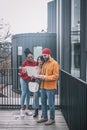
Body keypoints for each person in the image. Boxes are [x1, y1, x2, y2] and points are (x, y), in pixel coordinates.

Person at [37, 48, 60, 125]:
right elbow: (42, 74)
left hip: (50, 87)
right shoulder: (44, 63)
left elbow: (56, 76)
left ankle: (52, 119)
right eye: (43, 55)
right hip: (43, 86)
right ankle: (44, 117)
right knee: (43, 102)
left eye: (45, 55)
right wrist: (38, 76)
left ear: (49, 54)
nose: (44, 56)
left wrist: (45, 77)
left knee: (51, 104)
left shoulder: (55, 63)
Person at [20, 48, 37, 117]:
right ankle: (22, 110)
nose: (30, 58)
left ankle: (27, 109)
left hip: (30, 80)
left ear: (33, 56)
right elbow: (21, 73)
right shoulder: (25, 63)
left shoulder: (35, 63)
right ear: (27, 58)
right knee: (24, 93)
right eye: (29, 57)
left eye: (31, 56)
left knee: (28, 94)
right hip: (24, 79)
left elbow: (37, 71)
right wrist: (23, 71)